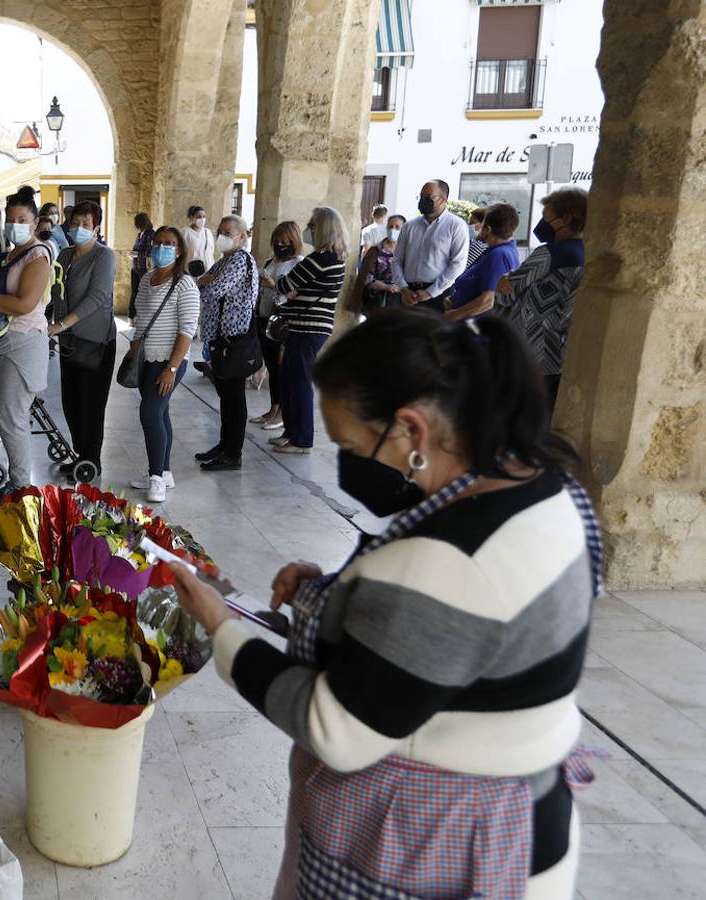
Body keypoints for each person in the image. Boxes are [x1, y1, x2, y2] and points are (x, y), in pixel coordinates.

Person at [169, 309, 598, 899]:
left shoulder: (443, 563)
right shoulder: (551, 488)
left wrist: (220, 626)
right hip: (526, 822)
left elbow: (338, 728)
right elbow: (459, 635)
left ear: (411, 430)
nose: (348, 461)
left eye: (351, 443)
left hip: (427, 848)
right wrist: (338, 595)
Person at [0, 185, 54, 509]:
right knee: (6, 415)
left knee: (12, 417)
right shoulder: (11, 254)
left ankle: (22, 488)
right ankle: (15, 481)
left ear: (34, 223)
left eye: (22, 219)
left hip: (23, 345)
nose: (15, 224)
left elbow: (24, 303)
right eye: (11, 219)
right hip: (3, 342)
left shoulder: (38, 255)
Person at [126, 225, 200, 503]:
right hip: (147, 358)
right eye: (158, 242)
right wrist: (134, 349)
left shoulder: (185, 284)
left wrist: (171, 368)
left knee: (150, 412)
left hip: (169, 361)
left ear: (179, 250)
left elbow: (187, 330)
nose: (162, 247)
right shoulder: (147, 279)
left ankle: (156, 477)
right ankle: (164, 472)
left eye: (169, 243)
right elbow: (143, 318)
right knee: (160, 413)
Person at [498, 188, 588, 410]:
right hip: (562, 352)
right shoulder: (588, 252)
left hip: (531, 349)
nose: (543, 222)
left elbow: (506, 293)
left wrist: (503, 282)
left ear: (566, 218)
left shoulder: (549, 254)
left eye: (547, 216)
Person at [48, 200, 117, 480]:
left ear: (96, 228)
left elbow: (98, 297)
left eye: (85, 225)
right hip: (68, 342)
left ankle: (92, 460)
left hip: (96, 342)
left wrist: (62, 324)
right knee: (71, 403)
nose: (79, 229)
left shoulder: (104, 256)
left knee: (91, 405)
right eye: (75, 223)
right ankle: (80, 455)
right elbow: (56, 294)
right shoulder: (63, 256)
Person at [271, 206, 348, 454]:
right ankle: (291, 432)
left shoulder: (321, 258)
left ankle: (301, 439)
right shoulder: (334, 257)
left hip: (308, 327)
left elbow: (284, 284)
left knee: (299, 382)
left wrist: (289, 289)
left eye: (313, 225)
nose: (308, 230)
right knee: (290, 380)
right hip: (307, 326)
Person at [194, 215, 258, 472]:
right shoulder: (225, 260)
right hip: (220, 339)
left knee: (233, 397)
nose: (221, 235)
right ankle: (224, 444)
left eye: (227, 232)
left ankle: (233, 453)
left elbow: (209, 290)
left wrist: (205, 283)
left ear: (242, 236)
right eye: (219, 231)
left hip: (234, 340)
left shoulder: (239, 261)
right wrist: (204, 282)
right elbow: (199, 282)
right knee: (225, 397)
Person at [251, 221, 303, 432]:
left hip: (282, 319)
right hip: (264, 317)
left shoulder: (298, 264)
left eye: (285, 241)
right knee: (271, 366)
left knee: (282, 369)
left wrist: (274, 287)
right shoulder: (270, 261)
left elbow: (294, 294)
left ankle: (282, 412)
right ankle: (273, 408)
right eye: (277, 241)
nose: (281, 245)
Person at [392, 179, 470, 314]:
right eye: (421, 197)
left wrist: (430, 292)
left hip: (438, 295)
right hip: (407, 293)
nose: (423, 200)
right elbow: (397, 260)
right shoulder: (409, 226)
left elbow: (457, 264)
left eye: (428, 197)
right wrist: (403, 288)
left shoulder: (456, 226)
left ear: (443, 199)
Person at [448, 202, 520, 322]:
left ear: (488, 229)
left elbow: (486, 301)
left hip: (477, 326)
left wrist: (453, 315)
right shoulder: (494, 251)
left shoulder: (499, 255)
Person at [350, 215, 404, 317]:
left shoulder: (407, 252)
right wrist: (386, 287)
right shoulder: (375, 251)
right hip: (376, 302)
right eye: (391, 226)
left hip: (400, 302)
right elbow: (367, 278)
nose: (393, 229)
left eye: (397, 227)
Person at [129, 212, 155, 318]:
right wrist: (132, 253)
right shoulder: (139, 234)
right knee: (134, 292)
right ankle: (131, 315)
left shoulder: (151, 234)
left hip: (144, 268)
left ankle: (142, 316)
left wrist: (138, 254)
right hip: (135, 267)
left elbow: (151, 252)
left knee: (144, 293)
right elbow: (136, 249)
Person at [183, 205, 215, 277]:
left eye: (204, 216)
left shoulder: (208, 232)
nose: (202, 219)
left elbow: (211, 251)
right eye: (199, 217)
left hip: (208, 272)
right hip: (191, 273)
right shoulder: (185, 232)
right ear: (191, 217)